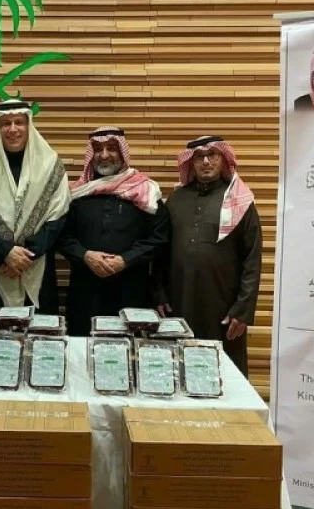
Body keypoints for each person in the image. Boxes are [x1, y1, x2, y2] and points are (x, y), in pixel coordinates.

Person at [155, 136, 262, 377]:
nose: (206, 161)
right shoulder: (176, 199)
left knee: (224, 373)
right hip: (179, 299)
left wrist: (243, 309)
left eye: (212, 155)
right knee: (178, 370)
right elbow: (161, 251)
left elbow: (252, 259)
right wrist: (158, 293)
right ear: (190, 163)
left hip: (222, 305)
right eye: (199, 157)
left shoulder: (239, 201)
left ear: (223, 159)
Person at [0, 99, 70, 324]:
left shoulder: (50, 164)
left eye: (19, 122)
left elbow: (58, 216)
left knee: (39, 337)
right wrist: (5, 253)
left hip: (36, 264)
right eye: (6, 123)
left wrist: (26, 256)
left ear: (29, 125)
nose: (13, 129)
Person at [57, 126, 169, 335]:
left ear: (123, 153)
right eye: (98, 150)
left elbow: (159, 238)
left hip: (132, 292)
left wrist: (125, 260)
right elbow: (62, 236)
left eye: (111, 148)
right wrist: (85, 255)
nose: (104, 155)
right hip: (85, 293)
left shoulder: (146, 190)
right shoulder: (77, 193)